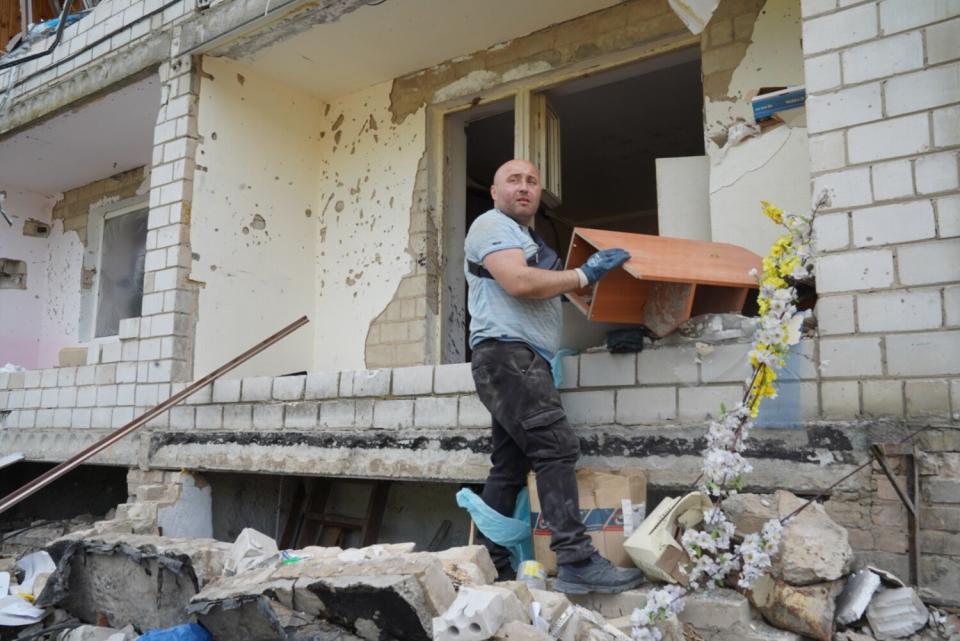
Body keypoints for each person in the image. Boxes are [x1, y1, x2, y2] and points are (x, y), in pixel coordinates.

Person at [464, 159, 645, 594]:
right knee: (556, 447)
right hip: (509, 355)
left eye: (531, 181)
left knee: (510, 465)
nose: (524, 188)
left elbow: (555, 290)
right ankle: (576, 559)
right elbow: (520, 282)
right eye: (513, 180)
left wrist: (618, 319)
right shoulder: (491, 225)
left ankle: (489, 563)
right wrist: (584, 273)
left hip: (515, 358)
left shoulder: (529, 238)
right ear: (494, 191)